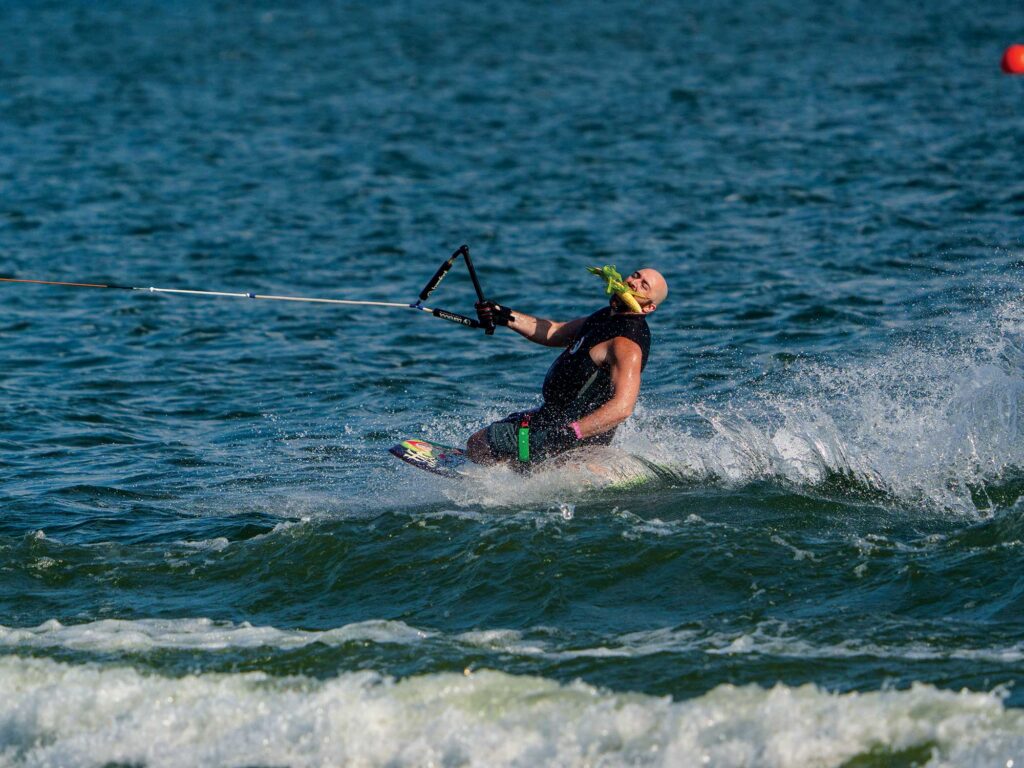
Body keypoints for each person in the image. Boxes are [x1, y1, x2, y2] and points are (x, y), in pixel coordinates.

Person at [466, 268, 668, 468]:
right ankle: (515, 469)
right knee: (492, 441)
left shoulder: (627, 344)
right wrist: (504, 316)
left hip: (570, 433)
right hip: (553, 416)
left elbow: (623, 407)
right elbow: (556, 332)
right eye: (635, 275)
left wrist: (570, 433)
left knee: (478, 444)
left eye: (644, 286)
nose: (634, 282)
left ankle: (517, 472)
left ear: (649, 308)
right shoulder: (607, 316)